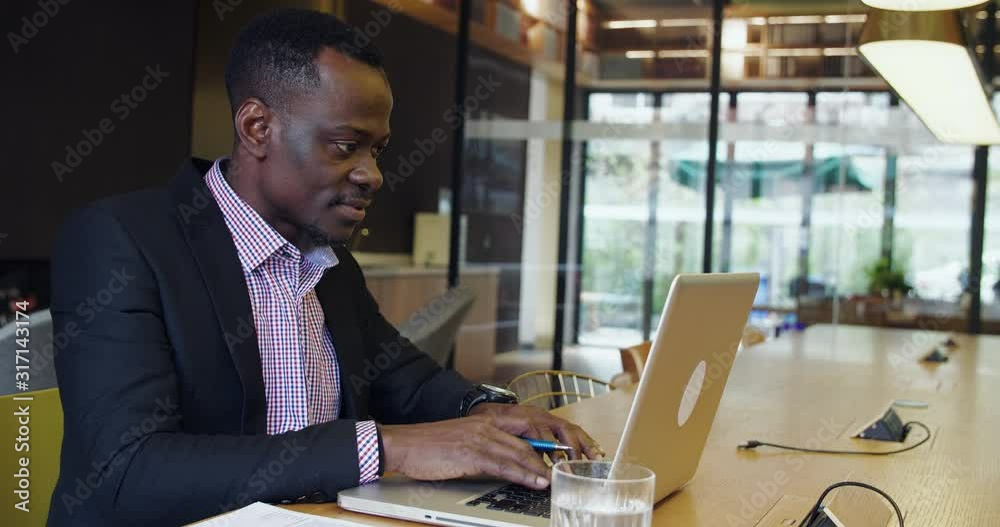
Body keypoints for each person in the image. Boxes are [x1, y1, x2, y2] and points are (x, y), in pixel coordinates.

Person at [48, 9, 601, 526]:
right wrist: (388, 447)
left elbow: (407, 382)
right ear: (257, 127)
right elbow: (129, 469)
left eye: (377, 150)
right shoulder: (121, 242)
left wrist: (486, 410)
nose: (372, 175)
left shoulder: (329, 261)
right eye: (345, 145)